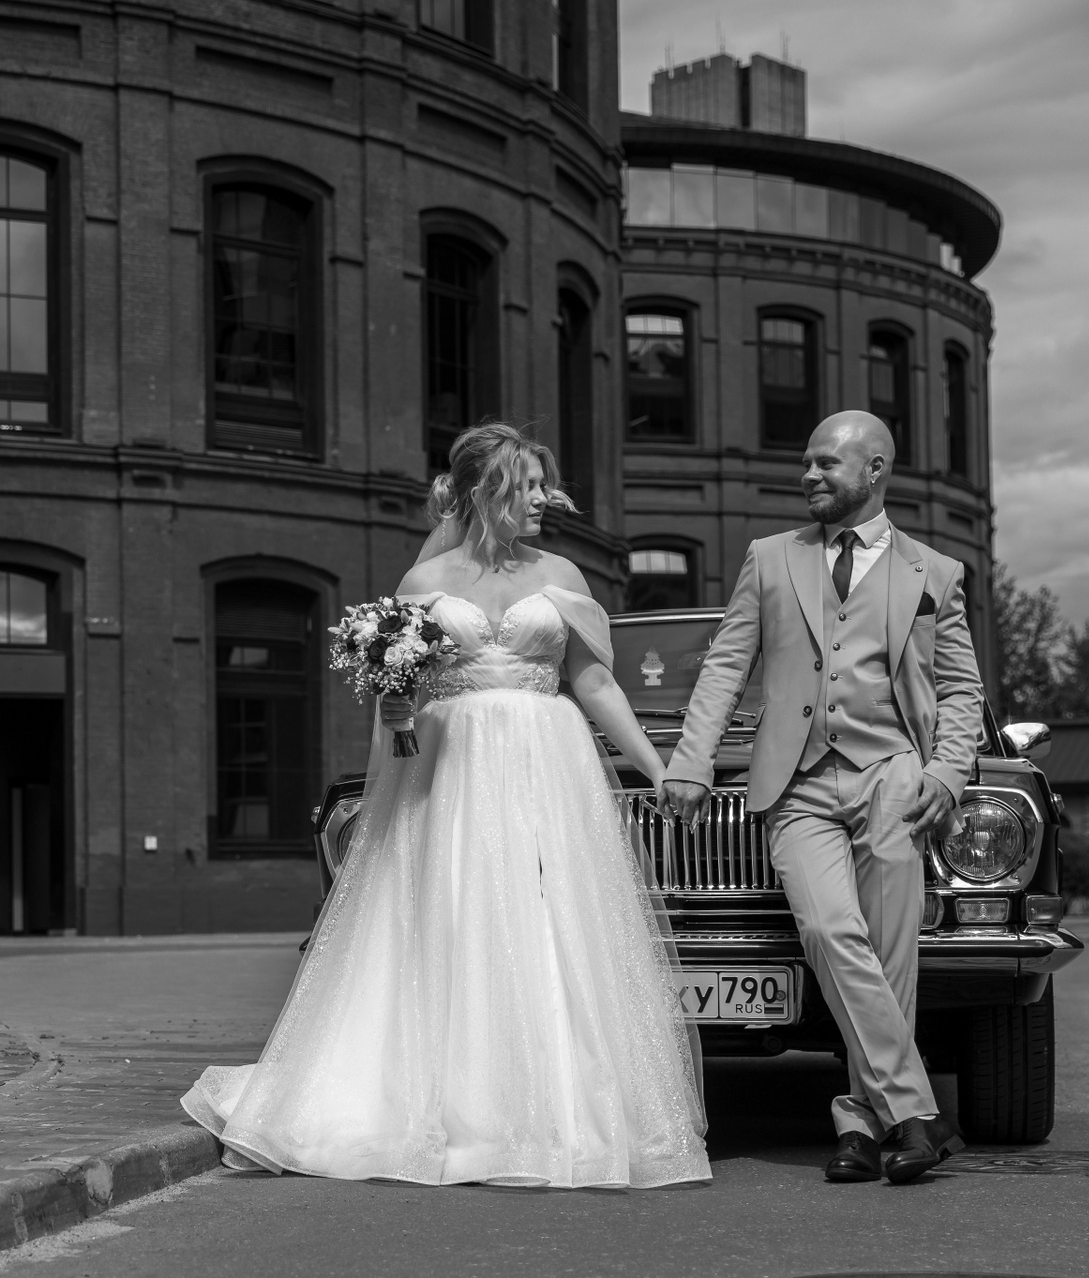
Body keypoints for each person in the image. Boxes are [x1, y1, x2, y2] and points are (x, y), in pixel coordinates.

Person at [182, 422, 709, 1189]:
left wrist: (659, 769)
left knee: (551, 919)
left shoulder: (562, 572)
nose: (545, 498)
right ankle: (460, 1107)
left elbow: (595, 684)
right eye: (529, 486)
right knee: (457, 913)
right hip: (454, 767)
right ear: (485, 492)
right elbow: (401, 696)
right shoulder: (423, 582)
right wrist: (394, 710)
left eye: (544, 484)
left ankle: (556, 1108)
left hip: (547, 762)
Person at [661, 410, 985, 1185]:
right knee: (829, 931)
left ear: (874, 470)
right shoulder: (771, 557)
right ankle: (917, 1112)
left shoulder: (935, 572)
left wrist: (946, 773)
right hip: (796, 781)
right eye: (806, 462)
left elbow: (960, 689)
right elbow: (725, 666)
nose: (808, 475)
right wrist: (691, 759)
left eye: (824, 464)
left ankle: (861, 1127)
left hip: (893, 777)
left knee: (891, 959)